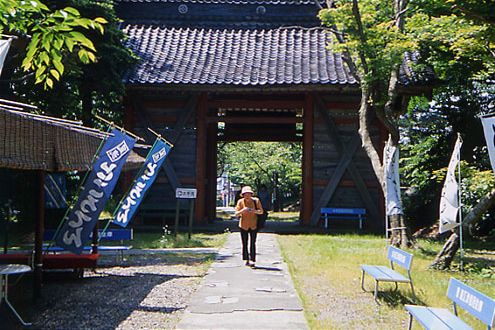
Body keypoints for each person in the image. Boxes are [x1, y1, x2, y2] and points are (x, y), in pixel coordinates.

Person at [235, 186, 263, 267]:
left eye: (249, 194)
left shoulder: (256, 201)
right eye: (245, 194)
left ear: (251, 194)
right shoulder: (240, 202)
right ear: (243, 195)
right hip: (243, 224)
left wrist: (253, 210)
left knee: (253, 242)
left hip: (253, 224)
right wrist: (243, 210)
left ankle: (252, 259)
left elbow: (261, 211)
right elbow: (236, 213)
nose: (247, 195)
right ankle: (246, 259)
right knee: (244, 243)